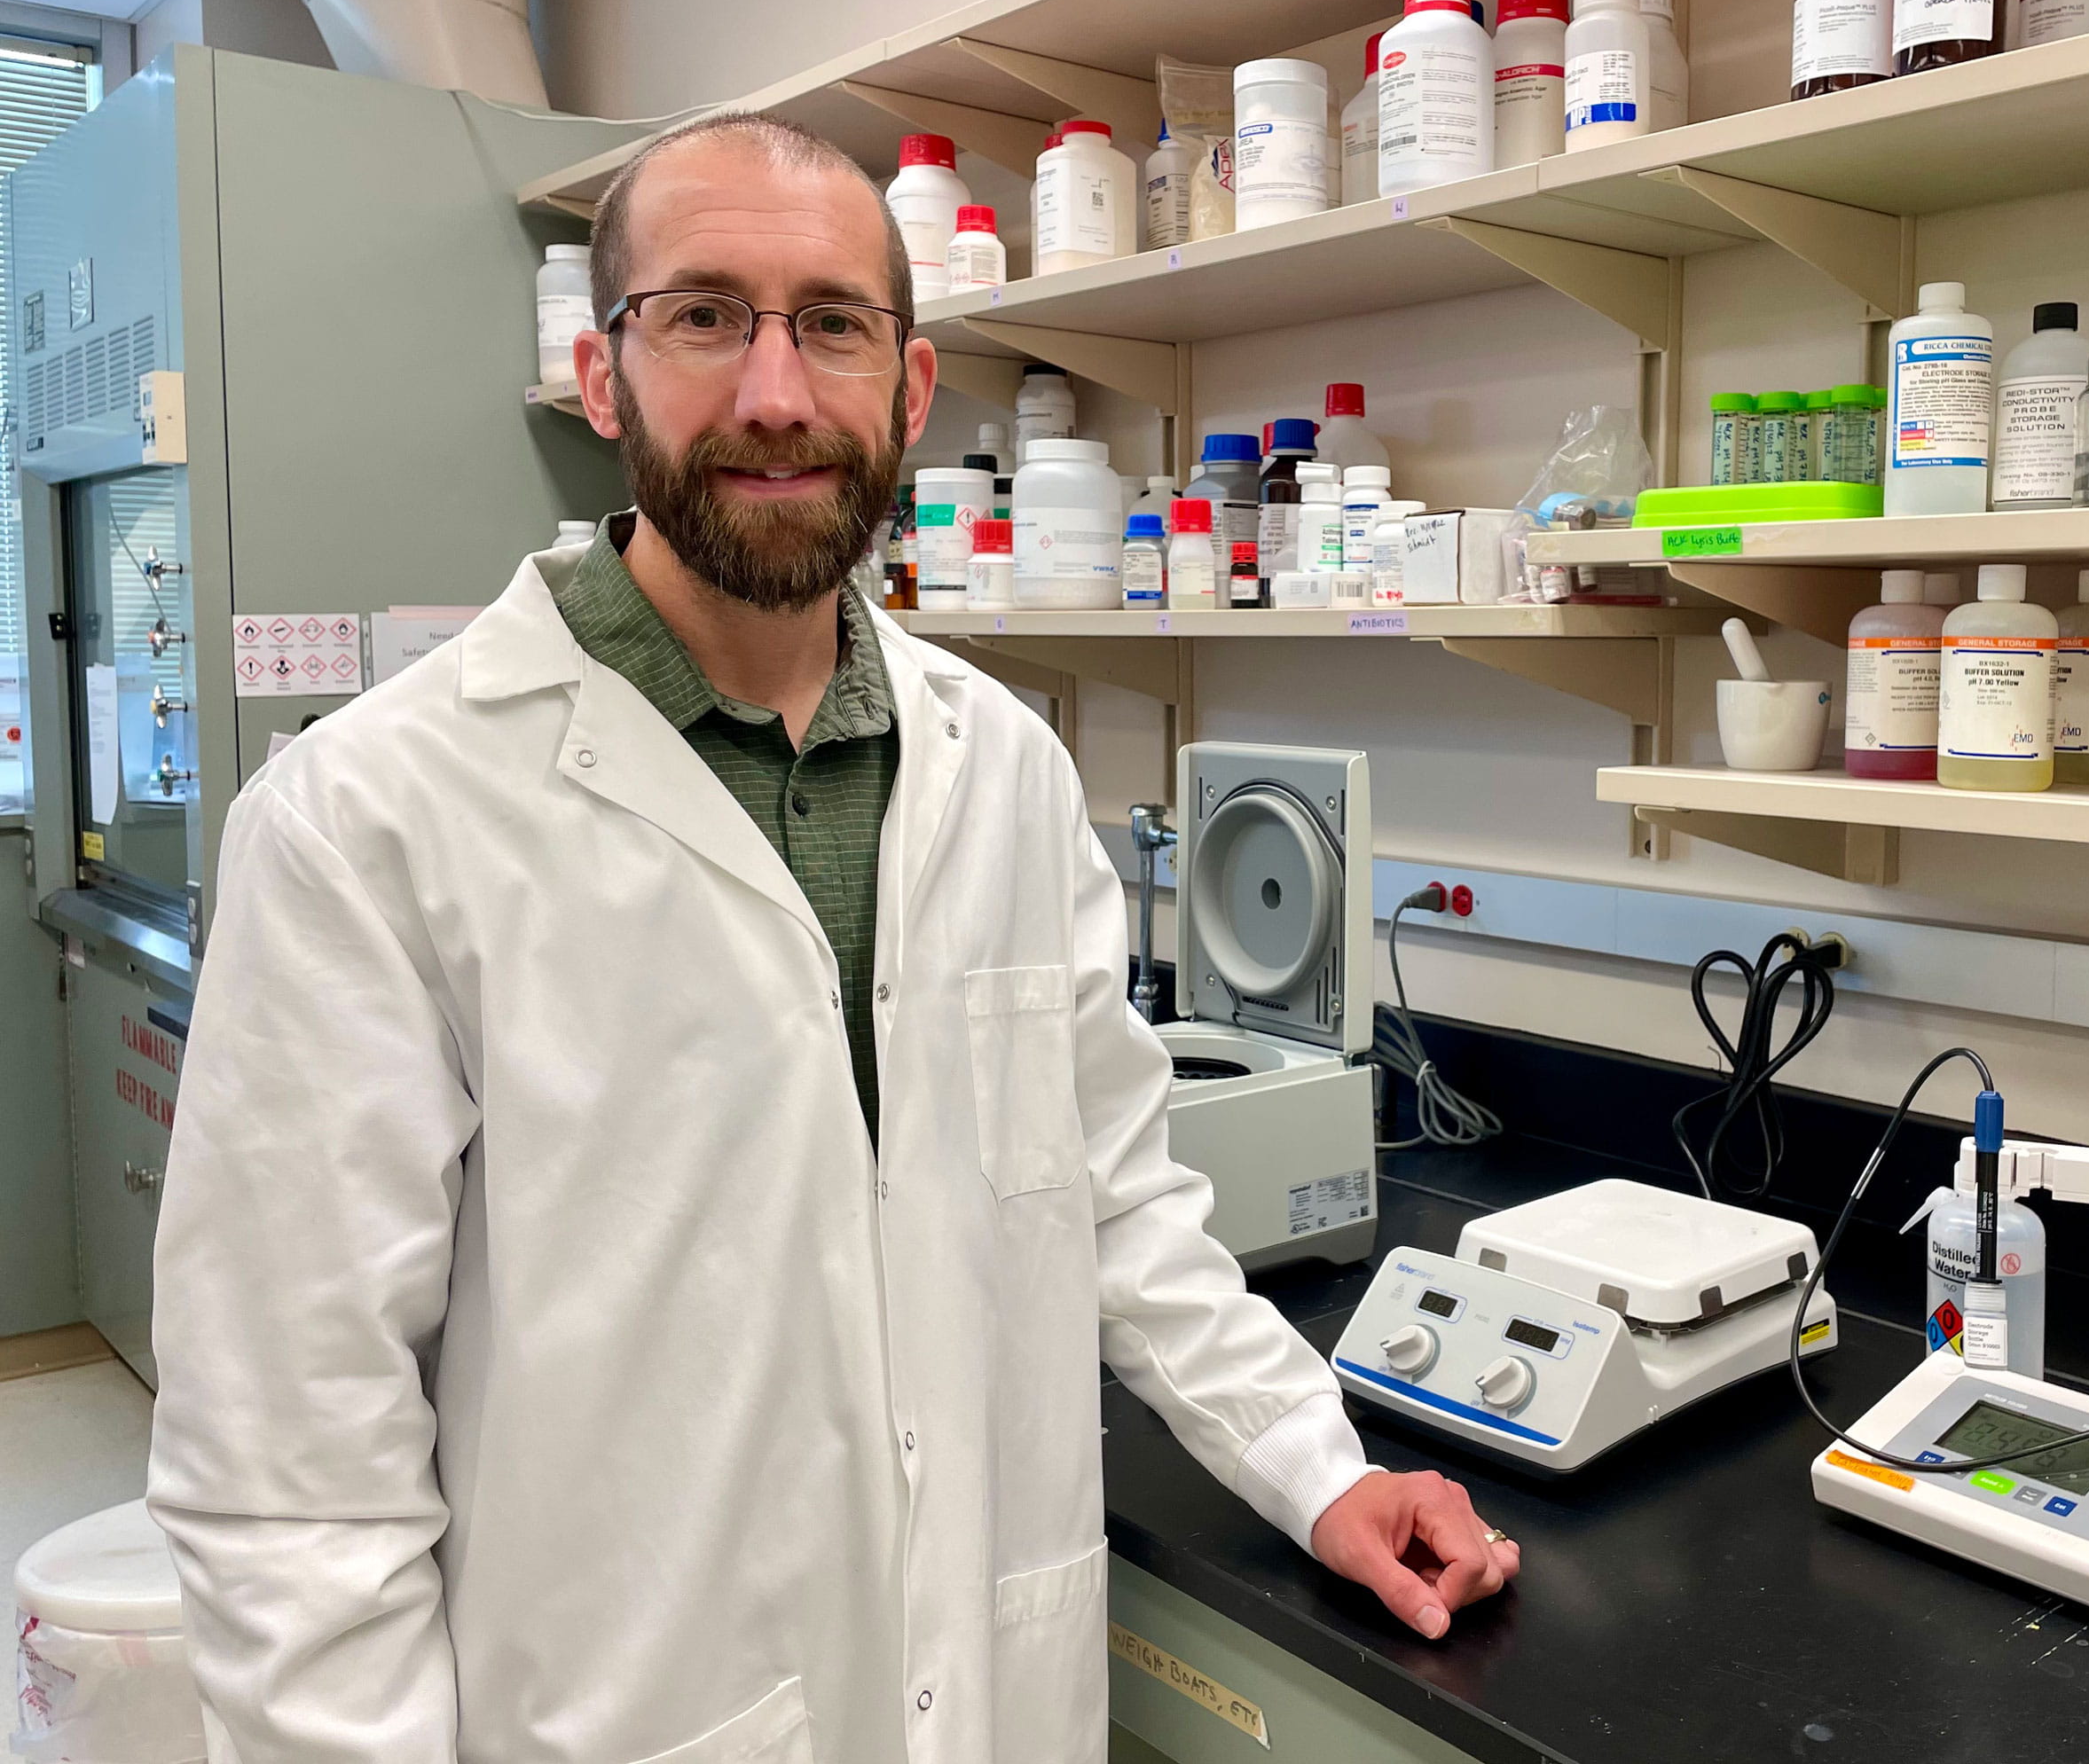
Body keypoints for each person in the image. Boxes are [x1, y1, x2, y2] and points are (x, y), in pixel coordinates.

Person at [145, 111, 1516, 1763]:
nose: (777, 392)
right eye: (703, 316)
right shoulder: (369, 821)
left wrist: (1317, 1466)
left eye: (835, 325)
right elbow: (291, 1474)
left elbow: (1113, 1201)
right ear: (601, 377)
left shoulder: (1005, 770)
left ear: (911, 391)